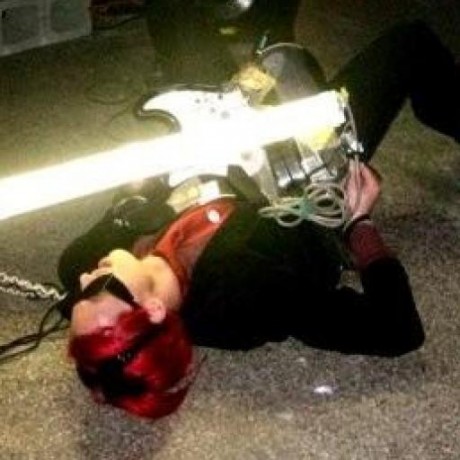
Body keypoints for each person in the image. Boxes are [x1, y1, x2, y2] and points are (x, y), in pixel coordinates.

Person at [57, 1, 460, 420]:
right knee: (410, 44)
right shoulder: (247, 298)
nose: (85, 278)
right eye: (94, 290)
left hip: (217, 130)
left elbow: (85, 269)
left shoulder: (87, 260)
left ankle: (268, 20)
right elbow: (396, 330)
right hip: (301, 161)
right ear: (153, 310)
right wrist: (360, 223)